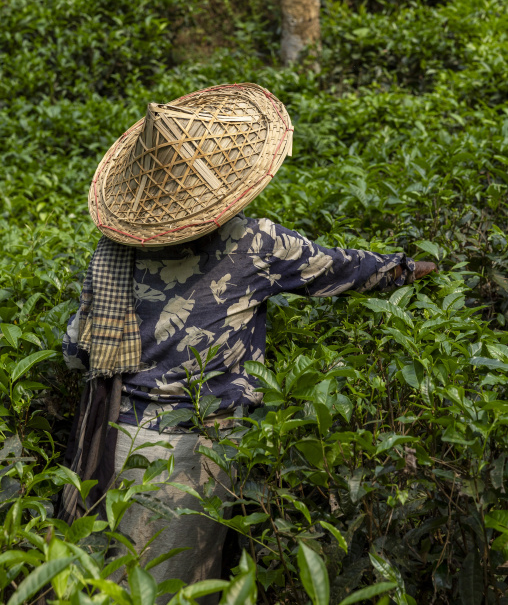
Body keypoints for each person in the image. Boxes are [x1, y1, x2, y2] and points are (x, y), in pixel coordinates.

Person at [60, 83, 436, 602]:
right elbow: (340, 269)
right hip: (199, 447)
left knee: (116, 578)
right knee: (184, 583)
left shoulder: (110, 254)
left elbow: (77, 348)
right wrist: (407, 270)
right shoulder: (255, 242)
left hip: (114, 435)